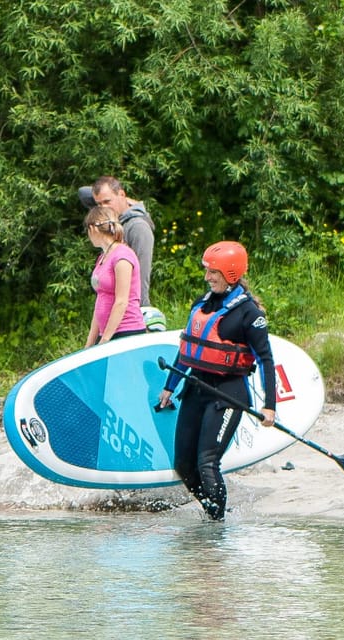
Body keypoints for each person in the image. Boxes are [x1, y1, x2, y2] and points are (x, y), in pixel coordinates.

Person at [156, 241, 277, 521]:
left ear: (231, 274)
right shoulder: (203, 303)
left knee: (207, 463)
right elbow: (188, 348)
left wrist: (270, 406)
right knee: (184, 465)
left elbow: (266, 360)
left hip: (227, 396)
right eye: (208, 271)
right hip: (196, 389)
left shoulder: (250, 314)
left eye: (214, 272)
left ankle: (216, 529)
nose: (207, 277)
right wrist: (169, 386)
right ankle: (214, 514)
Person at [79, 176, 155, 306]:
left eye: (107, 201)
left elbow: (142, 276)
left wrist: (140, 311)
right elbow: (82, 192)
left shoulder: (138, 227)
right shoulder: (114, 221)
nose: (103, 208)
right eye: (99, 204)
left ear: (122, 194)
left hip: (131, 311)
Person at [84, 205, 147, 348]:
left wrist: (105, 340)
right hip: (106, 332)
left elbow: (121, 302)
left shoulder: (122, 256)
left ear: (93, 229)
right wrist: (90, 342)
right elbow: (100, 300)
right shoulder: (103, 257)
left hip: (126, 331)